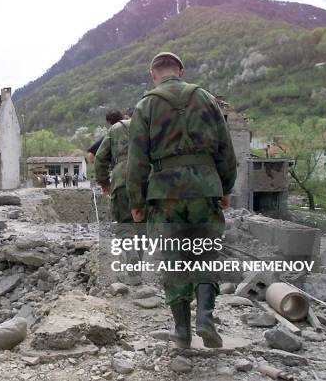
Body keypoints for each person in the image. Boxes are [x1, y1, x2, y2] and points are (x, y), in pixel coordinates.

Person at [126, 52, 237, 349]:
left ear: (153, 74)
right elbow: (226, 149)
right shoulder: (207, 99)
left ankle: (182, 333)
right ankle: (205, 317)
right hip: (204, 188)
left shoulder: (145, 105)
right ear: (181, 71)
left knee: (174, 260)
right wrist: (225, 188)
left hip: (165, 194)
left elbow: (136, 159)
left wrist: (136, 201)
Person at [95, 109, 144, 284]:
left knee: (124, 224)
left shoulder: (115, 129)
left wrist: (104, 183)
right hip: (147, 179)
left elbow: (100, 158)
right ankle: (137, 269)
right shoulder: (148, 126)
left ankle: (131, 258)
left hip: (122, 179)